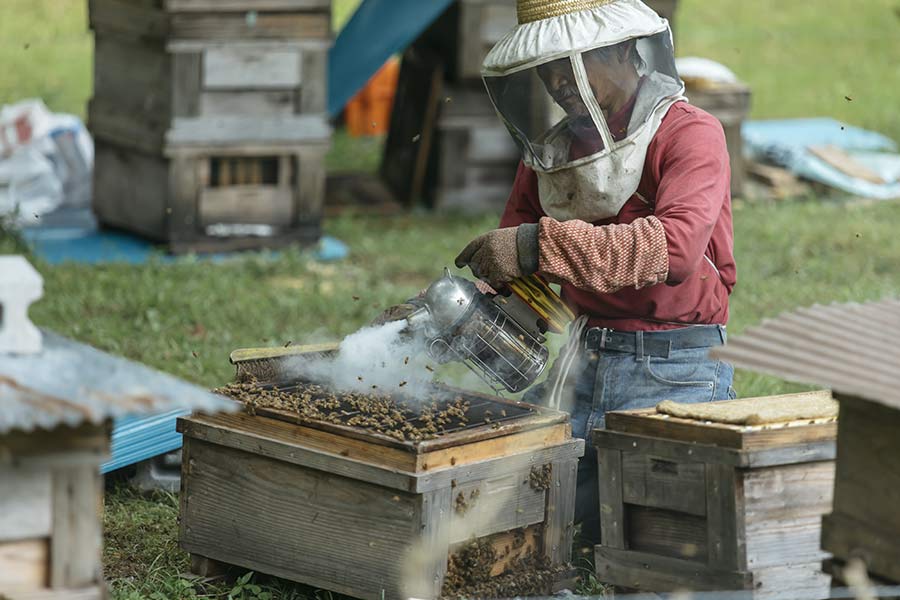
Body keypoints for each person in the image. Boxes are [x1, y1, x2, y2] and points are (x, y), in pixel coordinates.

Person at [452, 0, 737, 543]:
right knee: (499, 516)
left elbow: (673, 250)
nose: (558, 81)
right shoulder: (554, 154)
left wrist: (537, 244)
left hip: (674, 367)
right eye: (547, 67)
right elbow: (517, 273)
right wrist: (457, 312)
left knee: (653, 538)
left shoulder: (691, 134)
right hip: (579, 365)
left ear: (625, 50)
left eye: (572, 62)